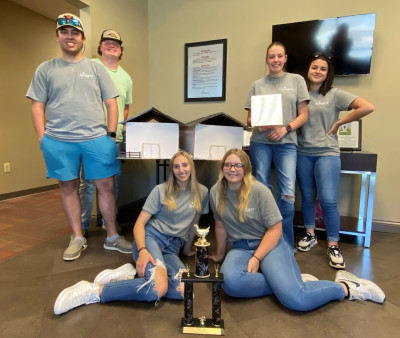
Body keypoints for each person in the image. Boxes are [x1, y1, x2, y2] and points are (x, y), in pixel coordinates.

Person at [209, 148, 384, 311]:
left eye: (238, 165)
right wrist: (219, 254)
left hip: (270, 244)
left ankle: (346, 287)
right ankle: (290, 282)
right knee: (230, 283)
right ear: (222, 167)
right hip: (240, 247)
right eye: (228, 165)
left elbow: (275, 229)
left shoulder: (259, 191)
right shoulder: (216, 192)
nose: (232, 169)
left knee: (297, 300)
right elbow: (220, 225)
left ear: (246, 168)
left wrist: (256, 257)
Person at [26, 13, 132, 261]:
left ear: (83, 38)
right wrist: (42, 138)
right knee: (69, 187)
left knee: (106, 186)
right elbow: (37, 106)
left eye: (75, 33)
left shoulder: (96, 68)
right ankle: (77, 237)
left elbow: (112, 103)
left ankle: (113, 237)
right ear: (58, 36)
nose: (70, 36)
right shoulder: (46, 69)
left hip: (96, 138)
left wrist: (110, 134)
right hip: (58, 140)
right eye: (64, 32)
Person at [53, 150, 209, 315]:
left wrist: (186, 250)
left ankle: (129, 275)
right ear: (172, 170)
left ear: (191, 167)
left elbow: (194, 221)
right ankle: (94, 291)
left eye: (185, 165)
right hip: (151, 239)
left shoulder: (202, 192)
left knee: (184, 290)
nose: (181, 170)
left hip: (172, 249)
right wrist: (142, 250)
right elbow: (139, 224)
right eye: (176, 166)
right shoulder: (161, 190)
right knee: (157, 289)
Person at [296, 53, 374, 269]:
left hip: (327, 153)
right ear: (308, 70)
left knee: (328, 199)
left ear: (328, 73)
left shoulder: (334, 94)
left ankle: (333, 244)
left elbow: (367, 106)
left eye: (323, 68)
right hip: (302, 152)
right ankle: (310, 234)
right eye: (314, 67)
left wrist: (340, 123)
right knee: (308, 197)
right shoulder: (299, 95)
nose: (318, 71)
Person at [245, 42, 309, 247]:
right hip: (260, 143)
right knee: (262, 189)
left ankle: (286, 243)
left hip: (287, 143)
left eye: (279, 56)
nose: (276, 60)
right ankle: (264, 240)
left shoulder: (297, 80)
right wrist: (258, 123)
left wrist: (285, 128)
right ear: (267, 59)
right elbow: (249, 119)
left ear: (285, 58)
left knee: (288, 193)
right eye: (272, 56)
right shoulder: (257, 84)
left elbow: (304, 116)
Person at [79, 29, 133, 236]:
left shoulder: (126, 78)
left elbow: (125, 107)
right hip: (89, 136)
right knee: (88, 185)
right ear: (100, 47)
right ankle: (83, 225)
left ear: (121, 51)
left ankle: (108, 221)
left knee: (112, 184)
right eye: (107, 42)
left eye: (116, 44)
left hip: (114, 138)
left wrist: (119, 128)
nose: (112, 45)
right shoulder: (89, 66)